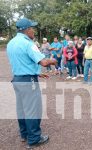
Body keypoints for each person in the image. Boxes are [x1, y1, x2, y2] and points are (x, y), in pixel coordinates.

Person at [7, 18, 57, 148]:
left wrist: (37, 73)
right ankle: (34, 138)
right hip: (28, 82)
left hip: (17, 79)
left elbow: (22, 63)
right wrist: (53, 61)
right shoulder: (28, 43)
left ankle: (24, 134)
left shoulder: (11, 43)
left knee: (22, 108)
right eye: (32, 28)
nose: (33, 31)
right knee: (33, 109)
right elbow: (44, 62)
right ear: (27, 30)